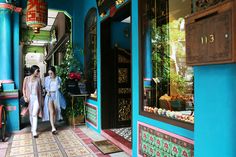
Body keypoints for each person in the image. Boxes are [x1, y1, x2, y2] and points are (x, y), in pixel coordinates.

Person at [43, 66, 66, 134]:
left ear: (54, 72)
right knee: (52, 111)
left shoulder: (58, 78)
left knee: (56, 111)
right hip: (49, 96)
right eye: (49, 73)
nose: (50, 75)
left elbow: (60, 87)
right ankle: (53, 127)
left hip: (56, 96)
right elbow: (46, 87)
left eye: (51, 73)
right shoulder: (47, 78)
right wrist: (47, 92)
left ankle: (54, 124)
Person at [22, 65, 42, 138]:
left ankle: (34, 131)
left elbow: (41, 90)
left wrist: (41, 100)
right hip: (30, 99)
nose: (38, 72)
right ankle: (33, 128)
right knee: (31, 114)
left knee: (34, 114)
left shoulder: (39, 79)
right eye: (37, 71)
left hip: (37, 98)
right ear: (33, 71)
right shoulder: (26, 79)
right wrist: (25, 97)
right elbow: (23, 89)